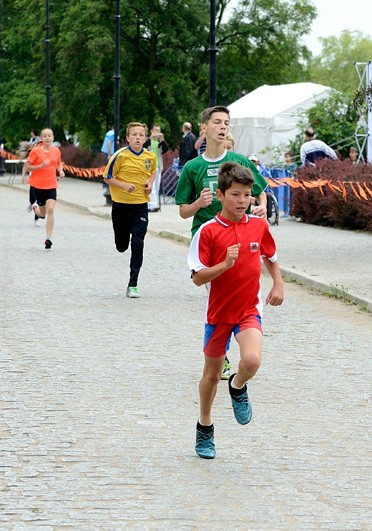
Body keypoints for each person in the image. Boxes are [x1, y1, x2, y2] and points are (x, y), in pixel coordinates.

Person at [187, 161, 284, 459]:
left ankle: (238, 385)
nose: (242, 201)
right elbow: (197, 277)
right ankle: (205, 426)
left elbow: (271, 255)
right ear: (220, 195)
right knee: (210, 376)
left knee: (252, 360)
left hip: (248, 309)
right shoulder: (208, 232)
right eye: (236, 195)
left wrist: (278, 284)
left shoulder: (258, 225)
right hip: (218, 313)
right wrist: (224, 265)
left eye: (247, 195)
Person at [175, 105, 269, 380]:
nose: (222, 127)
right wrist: (198, 203)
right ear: (204, 128)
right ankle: (222, 353)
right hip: (208, 238)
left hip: (239, 236)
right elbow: (182, 211)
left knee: (237, 290)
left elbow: (261, 189)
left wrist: (260, 207)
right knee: (217, 293)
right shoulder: (193, 167)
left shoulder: (239, 160)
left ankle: (234, 344)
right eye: (217, 122)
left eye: (226, 122)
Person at [103, 122, 157, 298]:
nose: (138, 138)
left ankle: (133, 284)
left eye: (141, 135)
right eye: (134, 134)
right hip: (120, 206)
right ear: (128, 138)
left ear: (145, 138)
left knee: (138, 242)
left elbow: (153, 172)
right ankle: (121, 239)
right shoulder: (120, 156)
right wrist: (123, 185)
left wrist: (150, 183)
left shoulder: (150, 156)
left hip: (140, 206)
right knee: (121, 246)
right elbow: (107, 177)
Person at [23, 128, 64, 250]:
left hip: (51, 184)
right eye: (44, 136)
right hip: (38, 185)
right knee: (42, 214)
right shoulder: (36, 151)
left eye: (49, 136)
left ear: (53, 137)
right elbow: (28, 167)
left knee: (51, 209)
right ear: (41, 138)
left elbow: (58, 162)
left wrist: (60, 170)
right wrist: (40, 166)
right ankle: (35, 208)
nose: (47, 138)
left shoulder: (56, 150)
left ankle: (48, 238)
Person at [142, 124, 169, 212]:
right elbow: (144, 146)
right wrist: (150, 138)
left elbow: (166, 149)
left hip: (158, 166)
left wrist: (163, 139)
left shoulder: (159, 142)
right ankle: (152, 205)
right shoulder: (148, 141)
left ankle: (154, 203)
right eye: (156, 130)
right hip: (149, 167)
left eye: (159, 131)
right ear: (151, 131)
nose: (157, 132)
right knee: (151, 185)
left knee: (156, 186)